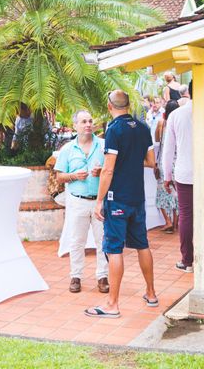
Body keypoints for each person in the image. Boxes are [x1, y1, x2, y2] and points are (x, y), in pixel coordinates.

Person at [85, 90, 157, 318]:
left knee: (114, 248)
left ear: (109, 106)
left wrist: (98, 201)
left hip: (118, 198)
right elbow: (150, 162)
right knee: (142, 244)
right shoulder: (143, 127)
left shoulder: (114, 130)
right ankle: (151, 293)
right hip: (137, 196)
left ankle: (112, 304)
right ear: (128, 104)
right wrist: (127, 163)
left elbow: (109, 169)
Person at [163, 80, 204, 273]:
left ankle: (187, 260)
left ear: (190, 93)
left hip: (184, 172)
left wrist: (167, 174)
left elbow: (169, 149)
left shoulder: (175, 115)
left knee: (186, 215)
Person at [54, 110, 109, 294]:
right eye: (83, 121)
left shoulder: (103, 145)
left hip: (99, 201)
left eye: (90, 121)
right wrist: (73, 176)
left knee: (103, 240)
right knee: (77, 241)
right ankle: (75, 277)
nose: (87, 124)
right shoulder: (68, 149)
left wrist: (102, 171)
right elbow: (59, 177)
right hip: (77, 201)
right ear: (75, 126)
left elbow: (112, 170)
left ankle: (103, 277)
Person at [155, 100, 180, 233]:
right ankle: (175, 221)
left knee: (162, 192)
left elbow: (157, 141)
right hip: (178, 161)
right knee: (176, 193)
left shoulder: (162, 123)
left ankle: (168, 221)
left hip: (164, 162)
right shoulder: (179, 123)